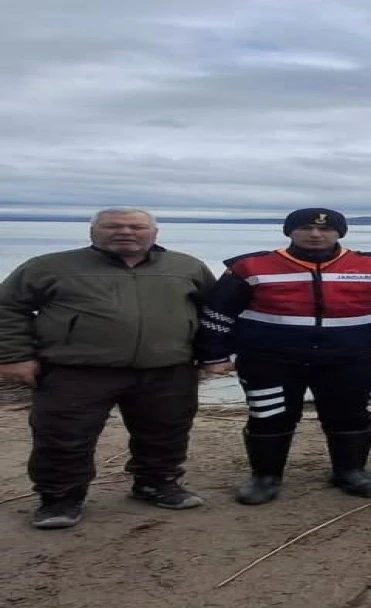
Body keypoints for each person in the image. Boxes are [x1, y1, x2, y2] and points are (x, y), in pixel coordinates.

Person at [0, 208, 217, 529]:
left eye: (136, 226)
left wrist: (213, 356)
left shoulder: (186, 266)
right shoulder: (49, 267)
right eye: (113, 226)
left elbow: (213, 313)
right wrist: (13, 356)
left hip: (167, 369)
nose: (125, 232)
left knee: (166, 432)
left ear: (154, 233)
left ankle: (156, 483)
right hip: (76, 370)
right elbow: (7, 307)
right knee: (64, 437)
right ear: (93, 231)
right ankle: (59, 498)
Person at [197, 208, 371, 504]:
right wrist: (214, 356)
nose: (315, 234)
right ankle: (265, 478)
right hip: (270, 360)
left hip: (347, 359)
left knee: (350, 416)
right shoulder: (249, 266)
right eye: (305, 228)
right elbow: (217, 313)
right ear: (289, 232)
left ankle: (351, 473)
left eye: (324, 229)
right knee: (269, 415)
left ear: (339, 233)